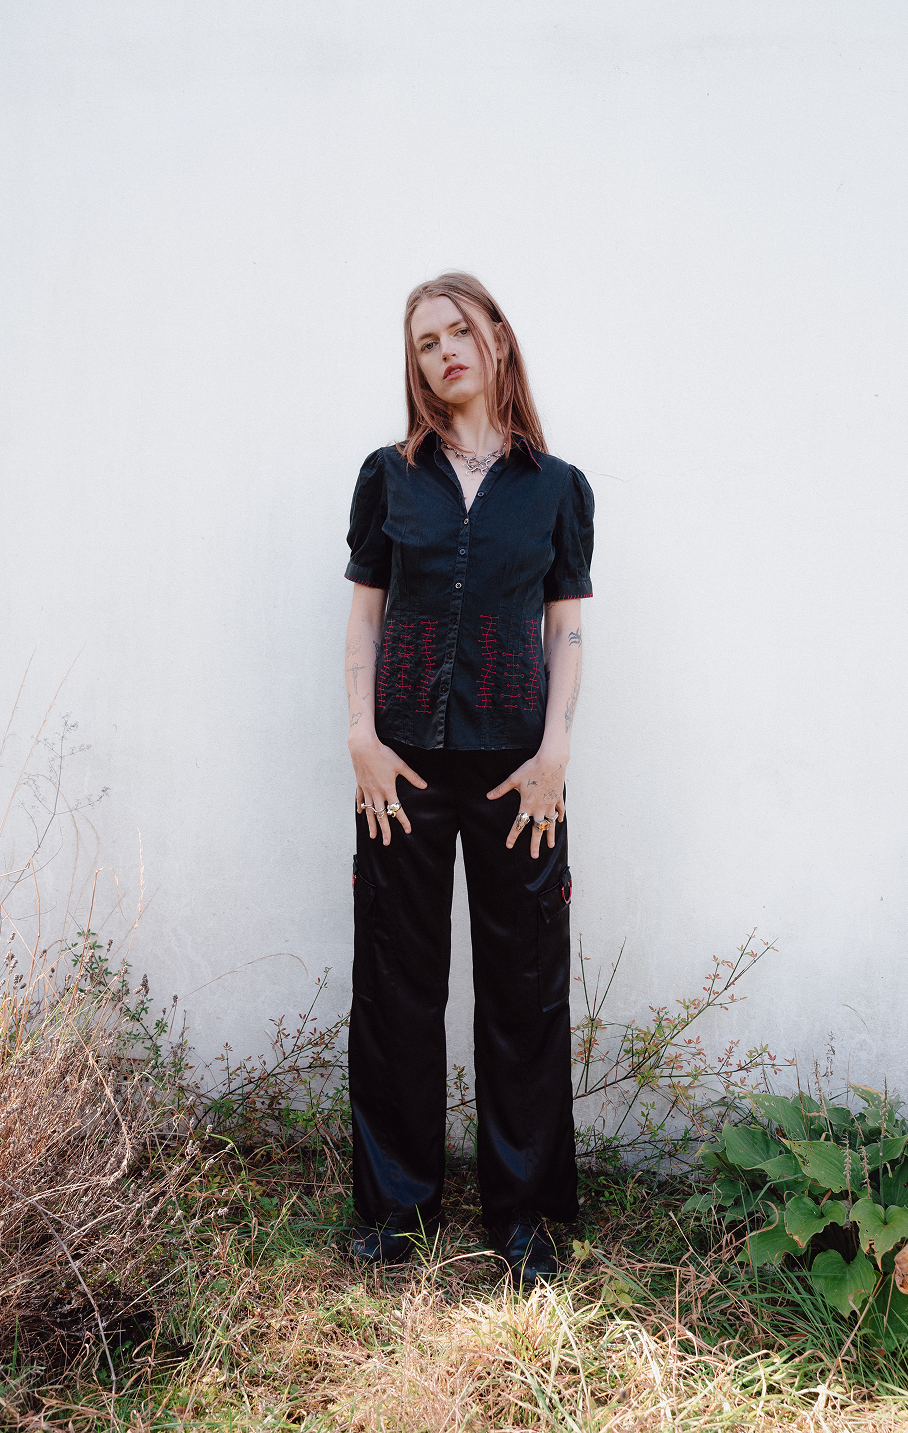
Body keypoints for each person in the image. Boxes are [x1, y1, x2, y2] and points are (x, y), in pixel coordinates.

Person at [342, 272, 594, 1282]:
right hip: (397, 765)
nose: (441, 350)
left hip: (517, 771)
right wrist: (360, 738)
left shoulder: (558, 485)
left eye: (456, 329)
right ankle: (396, 1208)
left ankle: (525, 1213)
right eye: (422, 342)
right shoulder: (387, 475)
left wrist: (555, 755)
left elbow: (566, 625)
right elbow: (364, 613)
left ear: (494, 335)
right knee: (397, 986)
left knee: (523, 991)